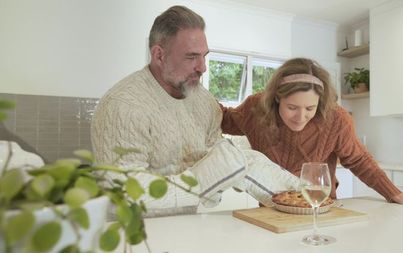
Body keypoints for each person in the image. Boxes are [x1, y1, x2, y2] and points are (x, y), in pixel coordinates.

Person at [91, 6, 298, 217]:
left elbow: (217, 161)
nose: (202, 67)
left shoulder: (204, 101)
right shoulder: (123, 106)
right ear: (159, 55)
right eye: (191, 57)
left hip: (189, 226)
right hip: (135, 239)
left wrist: (299, 194)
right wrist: (200, 181)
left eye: (204, 56)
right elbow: (125, 190)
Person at [221, 57, 403, 207]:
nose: (300, 117)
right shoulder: (256, 108)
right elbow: (223, 119)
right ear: (277, 98)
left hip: (320, 207)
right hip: (270, 208)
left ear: (321, 102)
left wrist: (395, 193)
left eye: (310, 108)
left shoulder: (336, 118)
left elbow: (359, 160)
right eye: (292, 108)